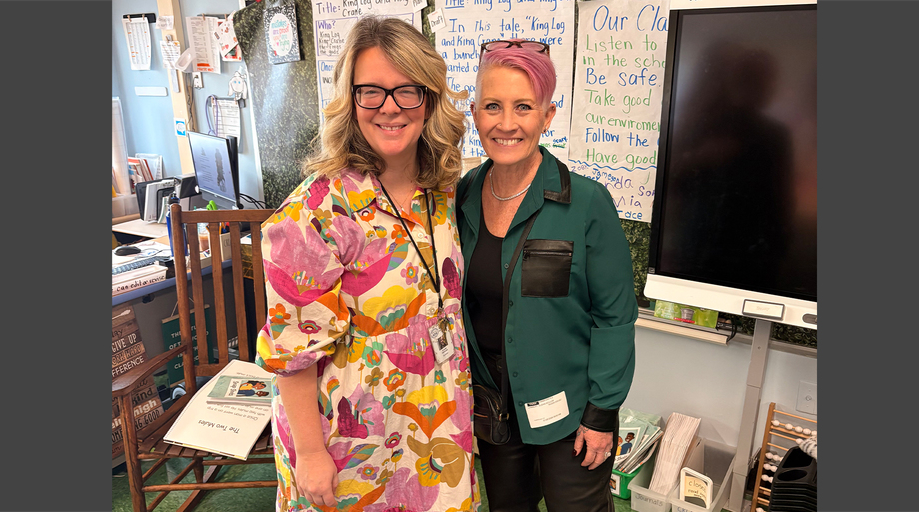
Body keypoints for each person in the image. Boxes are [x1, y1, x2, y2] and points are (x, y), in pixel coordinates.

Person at [255, 16, 477, 512]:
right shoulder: (312, 214)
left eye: (407, 91)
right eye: (371, 92)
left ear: (430, 98)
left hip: (435, 431)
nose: (390, 108)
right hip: (349, 446)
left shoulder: (441, 194)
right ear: (350, 100)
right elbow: (292, 354)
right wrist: (311, 455)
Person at [457, 39, 638, 511]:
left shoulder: (587, 203)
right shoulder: (460, 198)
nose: (507, 123)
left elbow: (615, 318)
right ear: (474, 112)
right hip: (492, 406)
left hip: (571, 412)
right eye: (492, 106)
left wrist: (601, 414)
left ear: (548, 115)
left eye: (524, 107)